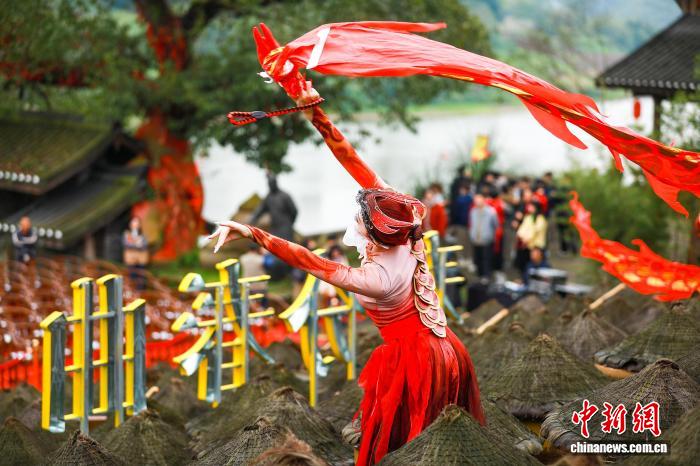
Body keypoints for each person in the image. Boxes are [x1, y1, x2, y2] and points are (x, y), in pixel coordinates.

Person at [210, 84, 484, 465]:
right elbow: (352, 160)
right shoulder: (406, 223)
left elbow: (310, 261)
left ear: (370, 230)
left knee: (398, 448)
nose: (357, 216)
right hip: (449, 349)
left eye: (360, 217)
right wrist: (316, 115)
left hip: (416, 361)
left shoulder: (377, 277)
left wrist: (253, 232)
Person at [250, 173, 298, 241]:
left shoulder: (285, 196)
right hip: (274, 228)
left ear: (276, 183)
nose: (271, 185)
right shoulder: (268, 198)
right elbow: (259, 211)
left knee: (286, 244)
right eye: (269, 184)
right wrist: (252, 220)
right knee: (274, 244)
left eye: (272, 183)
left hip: (286, 228)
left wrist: (290, 223)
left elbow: (294, 211)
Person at [516, 202, 548, 283]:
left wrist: (527, 239)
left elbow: (535, 230)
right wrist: (523, 238)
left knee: (540, 265)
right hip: (527, 246)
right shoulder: (528, 218)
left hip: (537, 246)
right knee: (526, 265)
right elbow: (521, 230)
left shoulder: (541, 219)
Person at [469, 194, 498, 279]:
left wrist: (490, 234)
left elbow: (495, 224)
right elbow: (472, 224)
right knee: (477, 259)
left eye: (478, 200)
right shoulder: (473, 211)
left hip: (486, 239)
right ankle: (479, 275)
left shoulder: (491, 211)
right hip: (476, 239)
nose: (477, 203)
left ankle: (486, 276)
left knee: (486, 259)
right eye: (475, 201)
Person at [239, 242, 268, 309]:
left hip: (247, 285)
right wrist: (265, 254)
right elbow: (270, 264)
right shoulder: (261, 259)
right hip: (260, 286)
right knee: (262, 306)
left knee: (248, 306)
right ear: (258, 249)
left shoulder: (243, 258)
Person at [122, 217, 149, 290]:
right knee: (132, 274)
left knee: (141, 275)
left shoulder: (143, 235)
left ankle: (141, 290)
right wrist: (136, 244)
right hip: (131, 259)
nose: (135, 225)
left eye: (137, 224)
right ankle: (133, 289)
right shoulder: (127, 234)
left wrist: (136, 244)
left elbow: (144, 245)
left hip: (141, 259)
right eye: (133, 223)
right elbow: (126, 244)